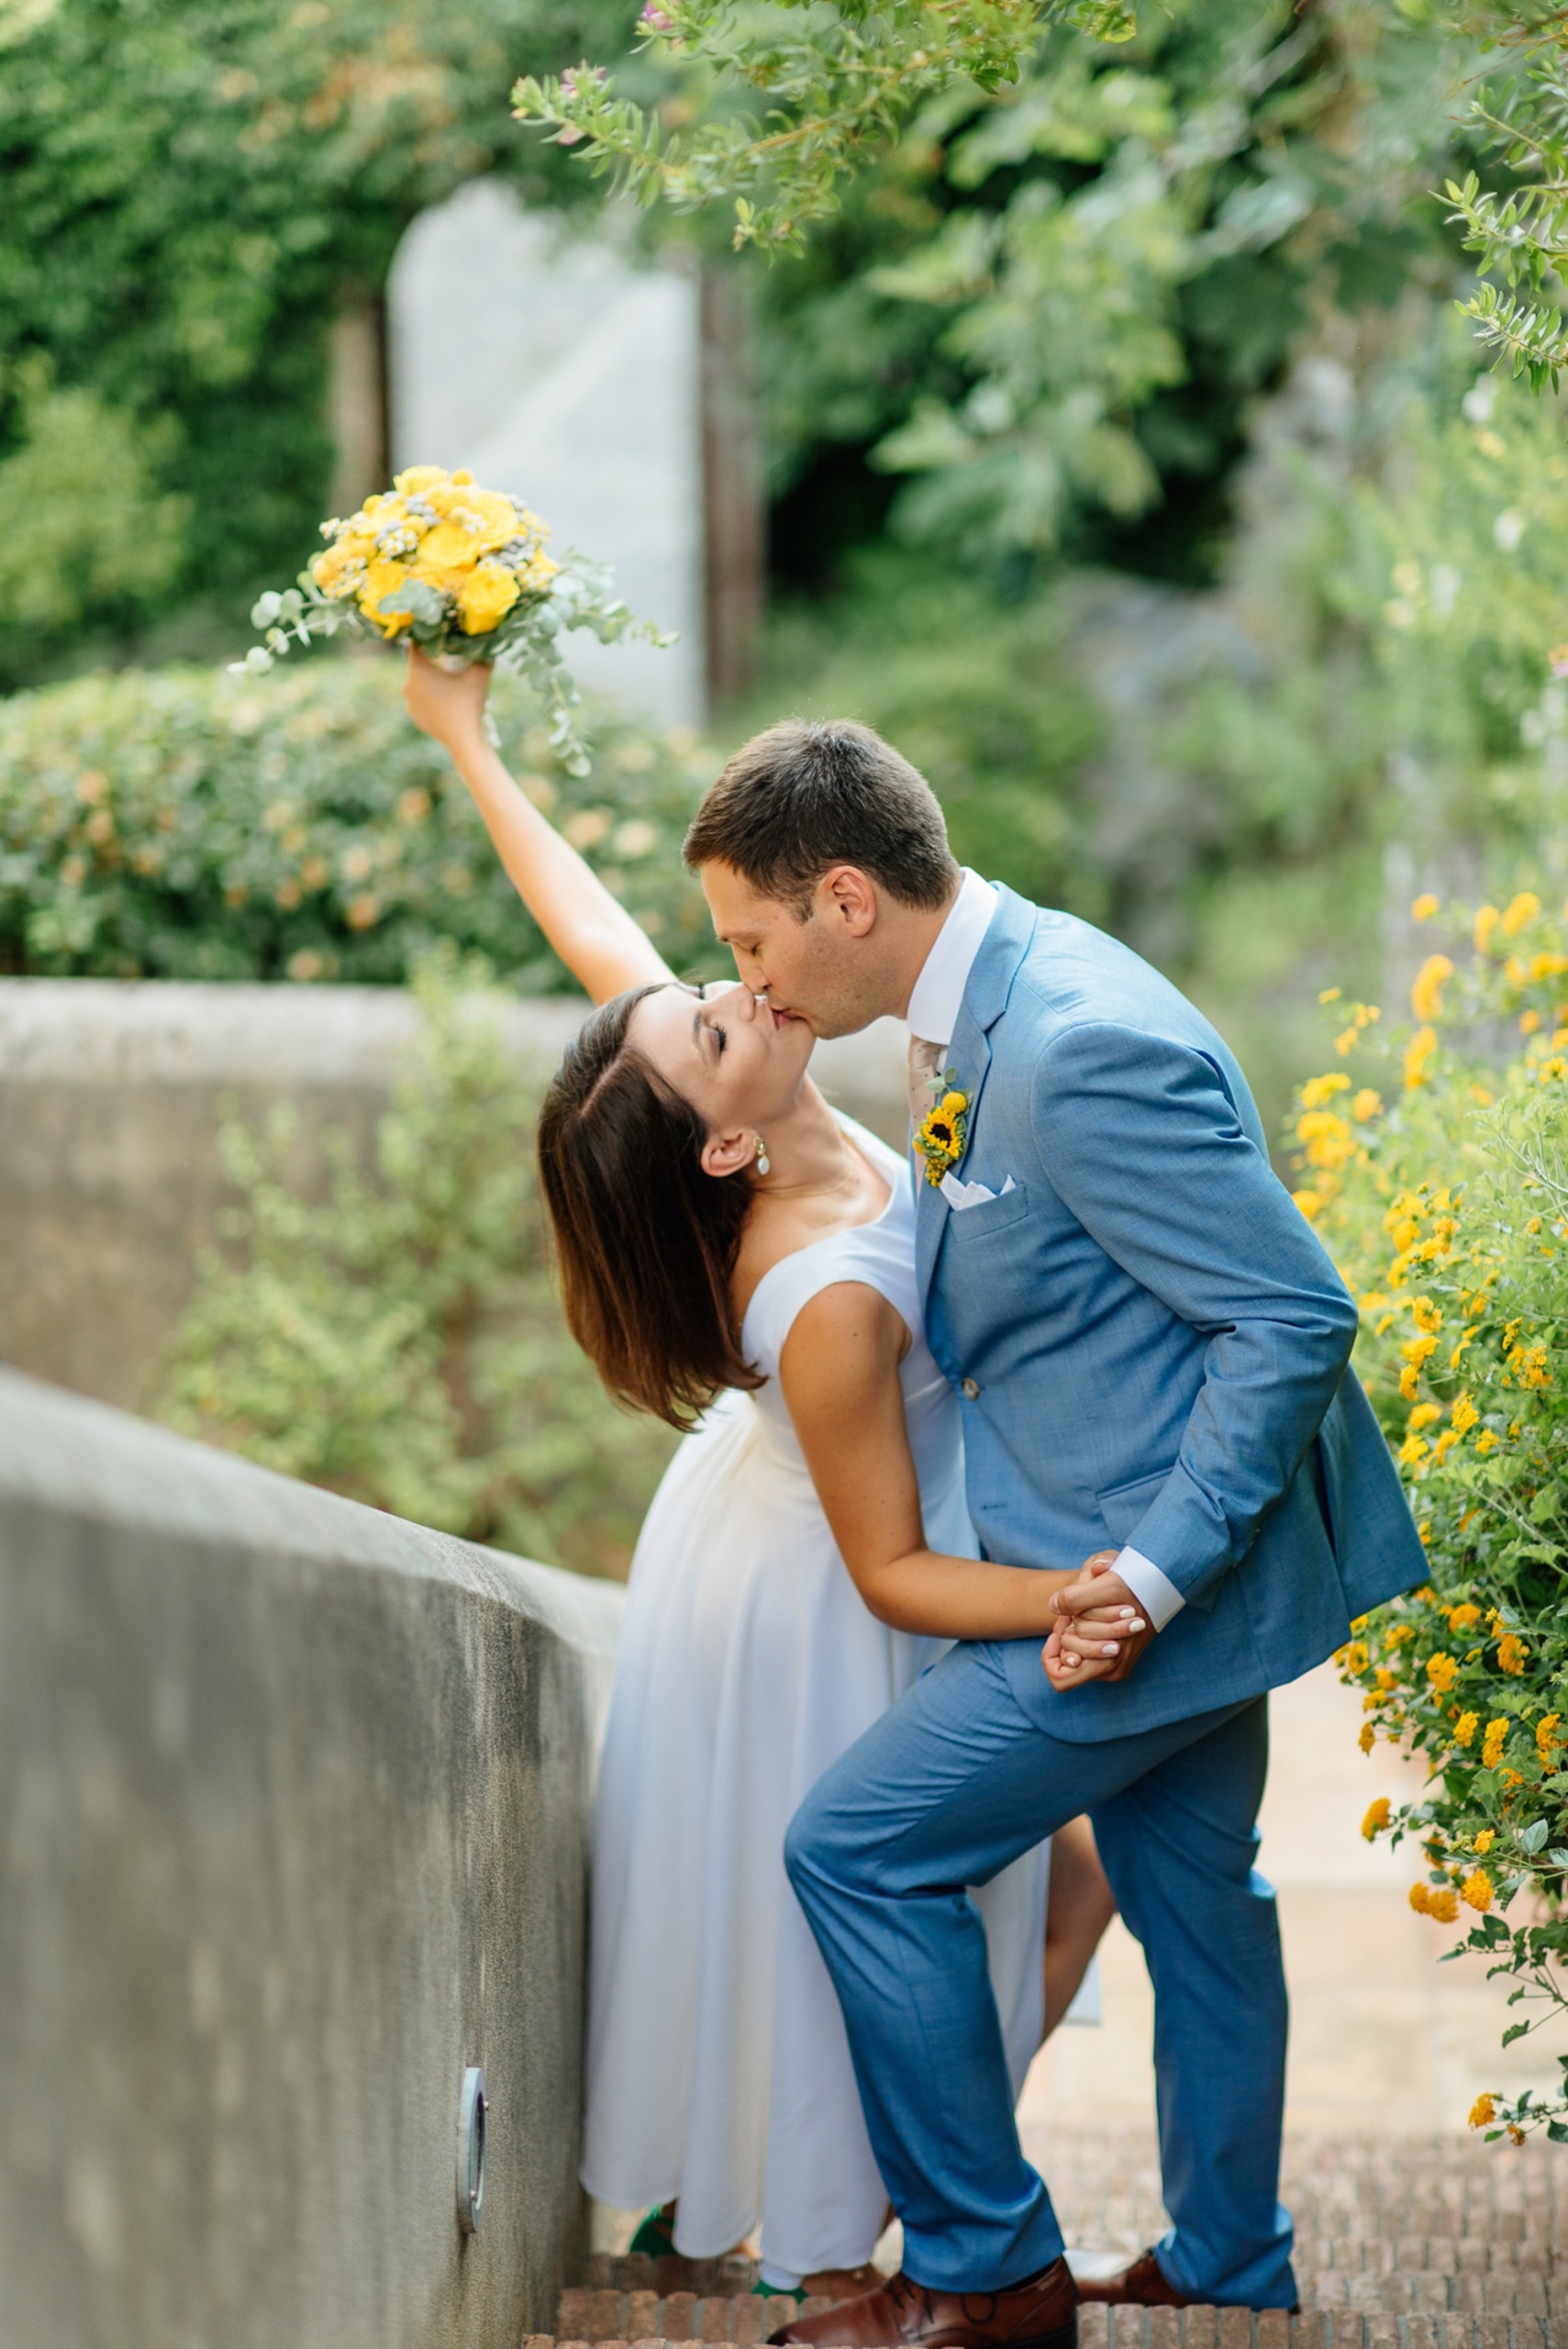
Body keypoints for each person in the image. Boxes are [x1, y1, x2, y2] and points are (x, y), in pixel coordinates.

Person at [653, 715, 1429, 2349]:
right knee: (1201, 1906)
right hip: (1129, 1556)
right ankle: (1228, 2260)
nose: (746, 977)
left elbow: (1290, 1317)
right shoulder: (971, 998)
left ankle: (981, 2264)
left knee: (855, 1851)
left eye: (749, 939)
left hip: (1128, 1588)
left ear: (846, 898)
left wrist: (1140, 1586)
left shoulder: (1071, 1039)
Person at [400, 653, 1124, 2298]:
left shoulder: (730, 1105)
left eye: (722, 973)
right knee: (976, 1904)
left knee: (981, 1901)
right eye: (717, 1008)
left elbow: (594, 944)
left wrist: (468, 743)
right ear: (719, 1138)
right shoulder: (828, 1293)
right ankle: (882, 2237)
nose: (742, 987)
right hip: (826, 1588)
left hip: (762, 1529)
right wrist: (1090, 1599)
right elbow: (888, 1571)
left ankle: (893, 2215)